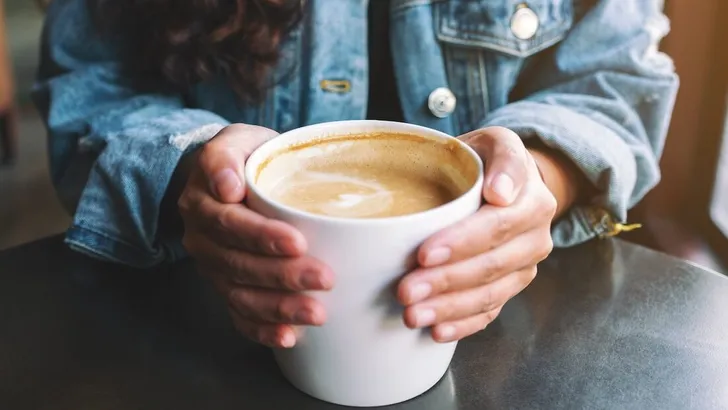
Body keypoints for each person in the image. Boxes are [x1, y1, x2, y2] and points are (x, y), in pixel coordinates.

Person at [34, 0, 678, 348]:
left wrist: (540, 176)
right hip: (207, 325)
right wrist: (188, 171)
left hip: (515, 331)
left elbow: (613, 76)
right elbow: (87, 88)